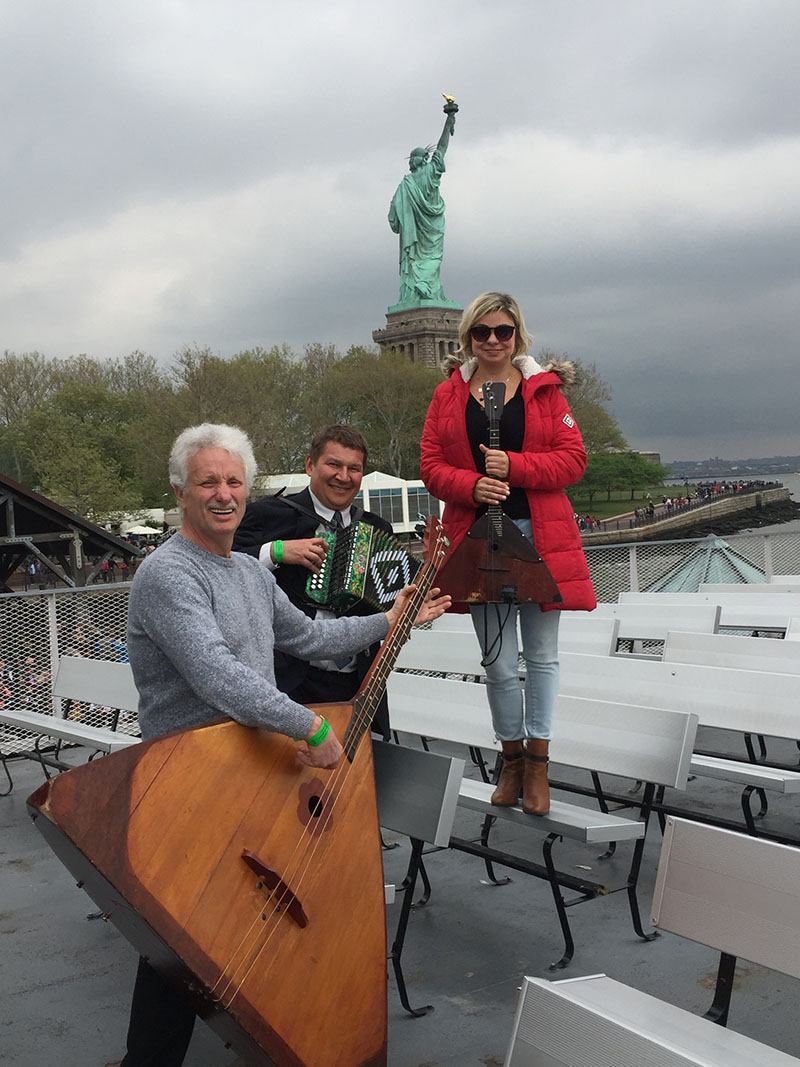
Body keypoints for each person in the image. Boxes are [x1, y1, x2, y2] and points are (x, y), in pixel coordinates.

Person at [115, 422, 449, 1067]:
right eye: (208, 481)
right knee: (178, 935)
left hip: (246, 771)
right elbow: (217, 676)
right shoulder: (166, 575)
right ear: (181, 492)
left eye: (234, 481)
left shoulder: (247, 571)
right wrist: (313, 727)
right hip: (187, 776)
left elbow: (310, 640)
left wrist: (392, 616)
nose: (223, 493)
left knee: (229, 925)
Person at [420, 292, 596, 816]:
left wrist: (515, 469)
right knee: (497, 660)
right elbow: (430, 465)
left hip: (538, 537)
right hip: (480, 537)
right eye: (482, 332)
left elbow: (573, 460)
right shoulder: (446, 396)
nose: (493, 341)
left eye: (503, 331)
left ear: (518, 335)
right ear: (468, 337)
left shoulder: (546, 392)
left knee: (541, 658)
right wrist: (472, 486)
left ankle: (539, 763)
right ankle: (511, 758)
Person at [232, 424, 394, 737]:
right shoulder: (268, 515)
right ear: (310, 465)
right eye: (334, 464)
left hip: (357, 681)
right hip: (289, 679)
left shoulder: (378, 530)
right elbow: (220, 564)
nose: (343, 476)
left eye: (354, 468)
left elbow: (387, 603)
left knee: (352, 780)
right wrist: (275, 552)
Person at [388, 100, 457, 306]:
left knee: (419, 258)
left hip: (418, 233)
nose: (410, 161)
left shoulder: (405, 184)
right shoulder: (427, 173)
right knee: (434, 258)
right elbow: (443, 147)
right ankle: (425, 288)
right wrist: (450, 119)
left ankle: (421, 288)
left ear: (417, 160)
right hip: (432, 227)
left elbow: (392, 217)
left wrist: (449, 120)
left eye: (412, 158)